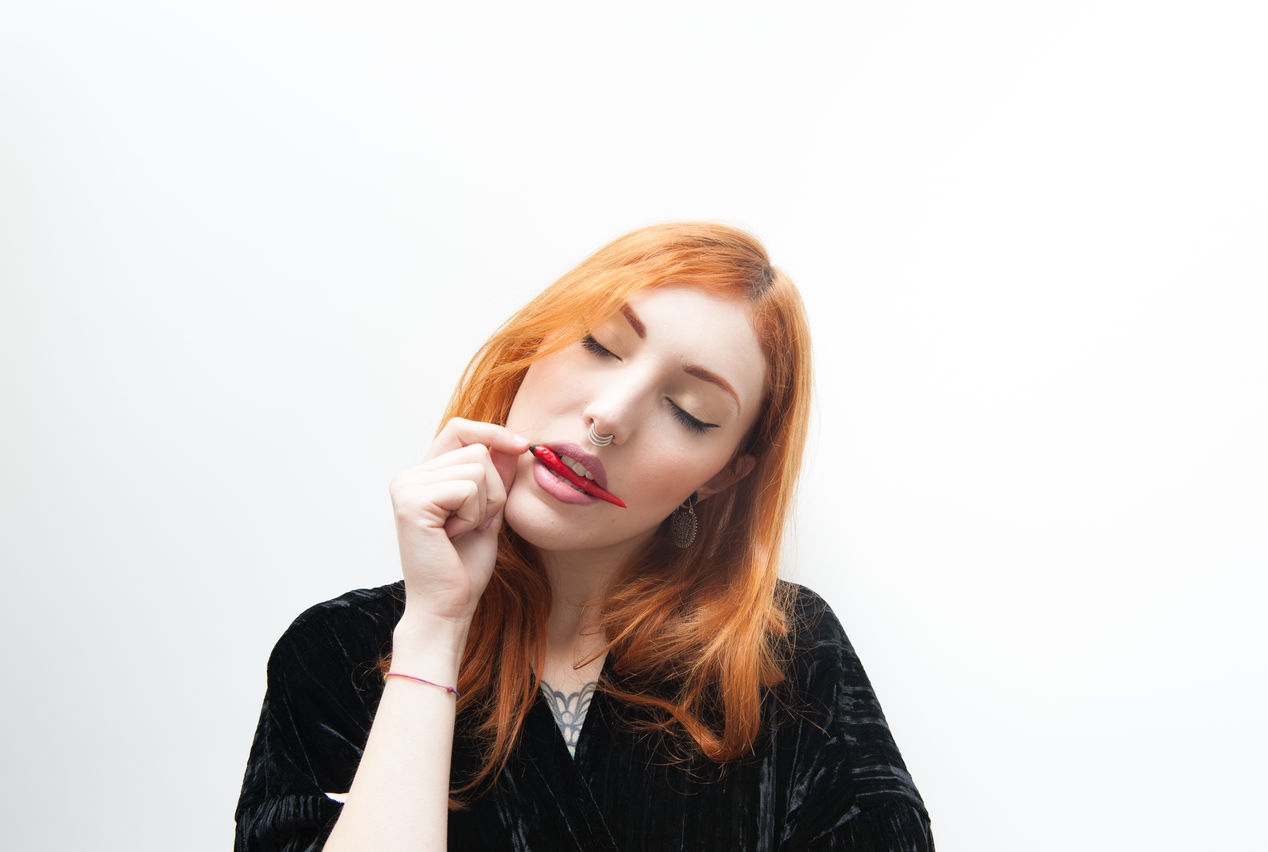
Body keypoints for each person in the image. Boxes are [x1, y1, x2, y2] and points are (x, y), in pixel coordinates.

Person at [234, 223, 933, 850]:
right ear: (535, 342)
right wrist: (434, 632)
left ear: (721, 475)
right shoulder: (334, 654)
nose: (608, 417)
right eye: (600, 344)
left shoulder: (787, 658)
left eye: (690, 412)